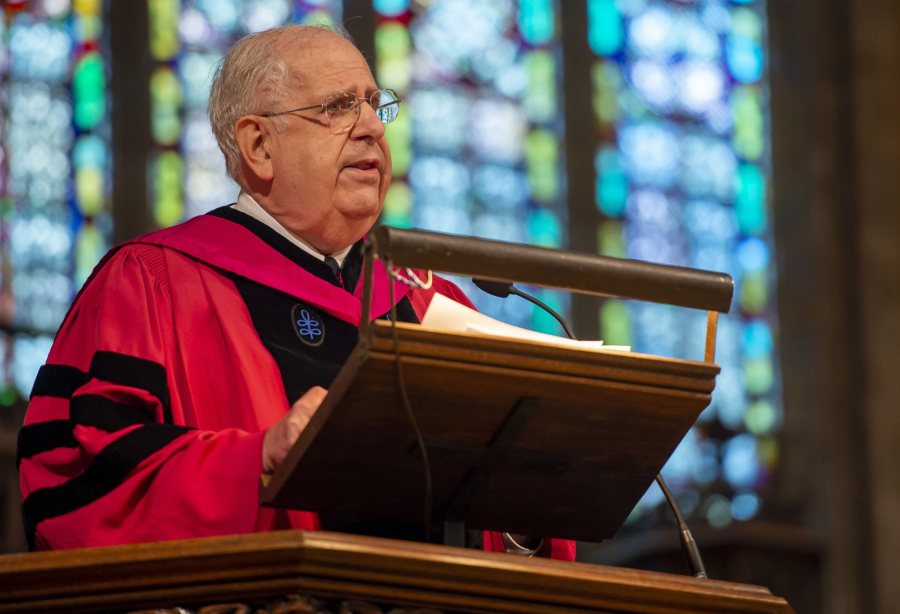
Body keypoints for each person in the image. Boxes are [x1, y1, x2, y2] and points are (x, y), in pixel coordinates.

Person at [17, 24, 574, 560]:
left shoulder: (437, 306)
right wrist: (255, 460)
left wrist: (522, 511)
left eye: (375, 105)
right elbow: (77, 480)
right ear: (258, 145)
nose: (373, 129)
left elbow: (504, 528)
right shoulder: (154, 284)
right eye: (337, 107)